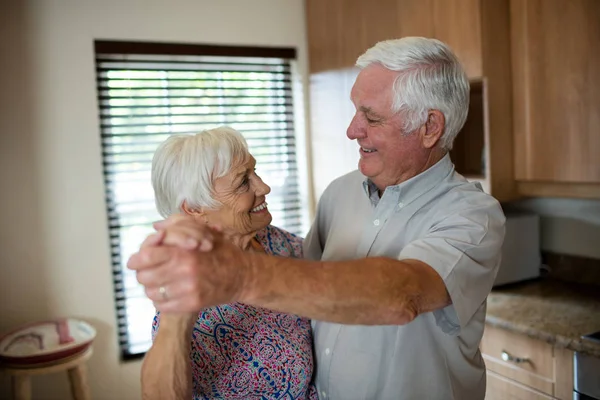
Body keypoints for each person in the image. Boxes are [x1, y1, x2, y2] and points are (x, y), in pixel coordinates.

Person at [130, 37, 506, 400]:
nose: (351, 130)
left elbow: (403, 294)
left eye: (370, 117)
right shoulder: (339, 194)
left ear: (430, 128)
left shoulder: (473, 215)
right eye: (355, 110)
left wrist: (239, 275)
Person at [140, 127, 318, 400]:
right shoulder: (187, 290)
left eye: (254, 172)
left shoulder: (277, 242)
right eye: (243, 183)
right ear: (195, 209)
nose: (263, 187)